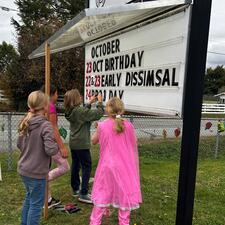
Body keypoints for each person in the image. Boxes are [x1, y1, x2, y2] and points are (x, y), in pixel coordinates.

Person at [90, 97, 142, 225]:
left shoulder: (102, 126)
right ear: (121, 110)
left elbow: (93, 140)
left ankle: (95, 221)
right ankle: (123, 222)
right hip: (124, 166)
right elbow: (134, 143)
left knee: (103, 192)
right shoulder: (128, 126)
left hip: (107, 165)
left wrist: (98, 129)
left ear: (107, 110)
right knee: (124, 196)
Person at [17, 91, 59, 225]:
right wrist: (57, 146)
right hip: (36, 173)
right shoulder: (45, 125)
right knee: (36, 205)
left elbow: (19, 144)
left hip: (24, 170)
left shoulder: (26, 121)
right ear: (45, 106)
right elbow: (50, 149)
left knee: (30, 198)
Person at [64, 89, 104, 204]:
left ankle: (76, 188)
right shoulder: (79, 111)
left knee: (76, 165)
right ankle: (84, 193)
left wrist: (90, 103)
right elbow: (98, 114)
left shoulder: (71, 111)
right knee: (87, 166)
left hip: (74, 143)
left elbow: (82, 113)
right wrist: (99, 103)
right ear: (75, 99)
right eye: (79, 96)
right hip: (82, 144)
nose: (81, 97)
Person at [41, 85, 70, 208]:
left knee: (45, 169)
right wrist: (62, 147)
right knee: (64, 166)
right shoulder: (50, 107)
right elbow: (54, 128)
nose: (57, 96)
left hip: (42, 143)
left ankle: (47, 199)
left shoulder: (40, 105)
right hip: (50, 143)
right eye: (57, 93)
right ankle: (43, 181)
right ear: (52, 94)